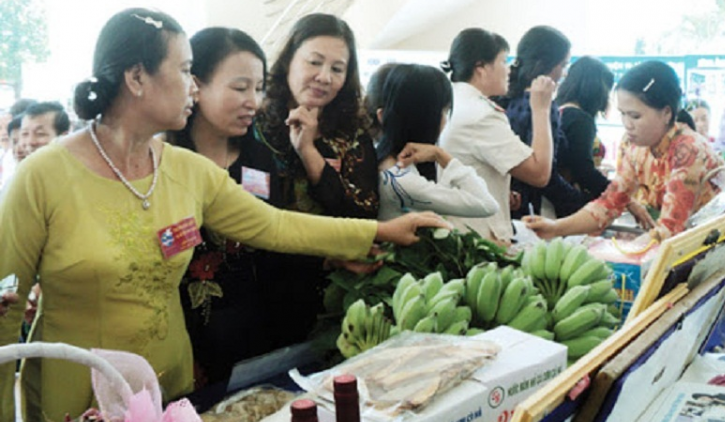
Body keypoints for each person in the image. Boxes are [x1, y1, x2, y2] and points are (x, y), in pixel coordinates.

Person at [0, 9, 446, 422]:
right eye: (183, 70)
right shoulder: (44, 176)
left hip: (170, 388)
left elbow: (274, 224)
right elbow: (5, 305)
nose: (192, 85)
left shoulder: (184, 170)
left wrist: (379, 229)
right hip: (78, 393)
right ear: (137, 77)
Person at [249, 13, 380, 349]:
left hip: (338, 298)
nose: (324, 77)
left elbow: (362, 214)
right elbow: (254, 223)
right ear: (289, 60)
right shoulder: (254, 126)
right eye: (314, 62)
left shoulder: (351, 134)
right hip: (266, 294)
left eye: (337, 69)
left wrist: (308, 151)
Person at [166, 26, 271, 387]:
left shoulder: (264, 161)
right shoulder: (164, 165)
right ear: (195, 84)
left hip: (262, 341)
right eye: (240, 88)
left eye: (259, 88)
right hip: (185, 348)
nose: (253, 101)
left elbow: (284, 233)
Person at [524, 61, 725, 242]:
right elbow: (609, 204)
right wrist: (555, 227)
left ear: (666, 113)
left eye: (635, 116)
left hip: (715, 243)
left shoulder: (688, 150)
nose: (627, 125)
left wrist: (630, 252)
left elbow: (670, 228)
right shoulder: (635, 147)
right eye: (623, 114)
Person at [438, 27, 556, 244]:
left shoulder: (450, 98)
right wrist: (541, 109)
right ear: (481, 67)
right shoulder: (481, 114)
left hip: (455, 227)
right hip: (477, 237)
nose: (509, 69)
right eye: (503, 61)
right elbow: (539, 173)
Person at [374, 63, 498, 221]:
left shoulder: (387, 161)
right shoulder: (401, 182)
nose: (446, 120)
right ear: (428, 118)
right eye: (444, 111)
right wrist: (441, 155)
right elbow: (486, 204)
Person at [496, 25, 585, 219]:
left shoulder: (504, 99)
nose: (564, 73)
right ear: (546, 64)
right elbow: (546, 175)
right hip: (532, 209)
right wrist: (581, 207)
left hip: (503, 204)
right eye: (563, 65)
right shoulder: (542, 107)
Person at [556, 56, 613, 201]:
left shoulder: (555, 109)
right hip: (567, 199)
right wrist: (620, 195)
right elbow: (583, 171)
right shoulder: (580, 120)